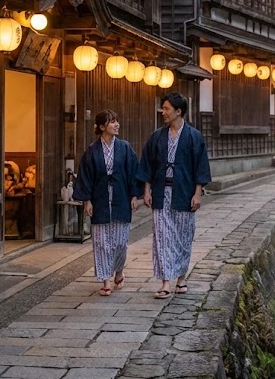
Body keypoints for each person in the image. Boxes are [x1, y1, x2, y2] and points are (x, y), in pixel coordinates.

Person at [137, 92, 211, 299]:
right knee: (162, 237)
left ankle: (181, 278)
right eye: (163, 108)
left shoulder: (194, 136)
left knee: (183, 237)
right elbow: (148, 164)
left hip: (184, 193)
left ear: (178, 111)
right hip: (161, 192)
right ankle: (165, 282)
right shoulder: (157, 136)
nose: (163, 112)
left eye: (167, 108)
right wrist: (146, 190)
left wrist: (198, 194)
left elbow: (200, 166)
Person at [73, 110, 141, 296]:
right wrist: (87, 200)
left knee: (120, 242)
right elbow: (86, 176)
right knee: (101, 242)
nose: (116, 125)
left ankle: (119, 271)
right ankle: (105, 281)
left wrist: (134, 195)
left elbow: (133, 172)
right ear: (102, 126)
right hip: (100, 198)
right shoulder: (92, 150)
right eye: (112, 122)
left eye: (117, 121)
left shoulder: (125, 148)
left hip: (121, 196)